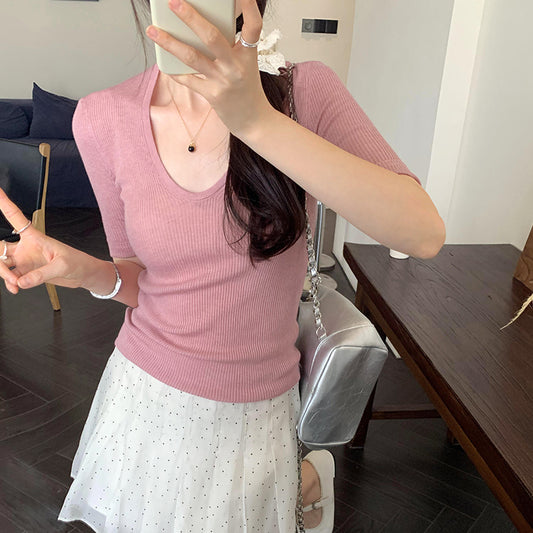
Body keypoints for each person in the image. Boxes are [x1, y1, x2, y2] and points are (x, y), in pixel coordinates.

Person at [0, 0, 446, 531]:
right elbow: (138, 280)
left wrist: (256, 121)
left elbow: (423, 233)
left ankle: (304, 479)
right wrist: (84, 271)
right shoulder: (103, 117)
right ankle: (305, 481)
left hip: (254, 412)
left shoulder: (304, 93)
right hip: (144, 399)